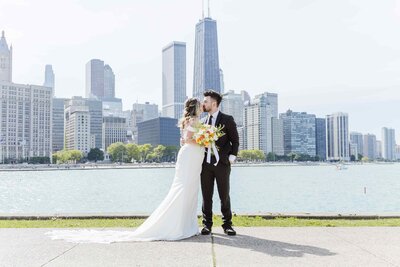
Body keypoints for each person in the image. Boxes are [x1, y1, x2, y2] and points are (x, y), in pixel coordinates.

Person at [46, 98, 206, 243]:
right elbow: (189, 139)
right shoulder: (193, 120)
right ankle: (178, 226)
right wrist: (204, 140)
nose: (202, 107)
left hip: (192, 157)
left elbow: (185, 139)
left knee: (190, 190)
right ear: (195, 107)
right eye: (200, 105)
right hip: (190, 156)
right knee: (184, 190)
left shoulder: (191, 120)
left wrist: (202, 140)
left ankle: (187, 225)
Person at [200, 90, 239, 236]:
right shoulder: (203, 122)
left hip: (222, 164)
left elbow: (235, 140)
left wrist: (232, 156)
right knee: (206, 195)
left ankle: (227, 225)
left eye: (206, 101)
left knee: (224, 195)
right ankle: (207, 225)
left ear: (214, 103)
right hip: (205, 165)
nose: (203, 104)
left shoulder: (228, 119)